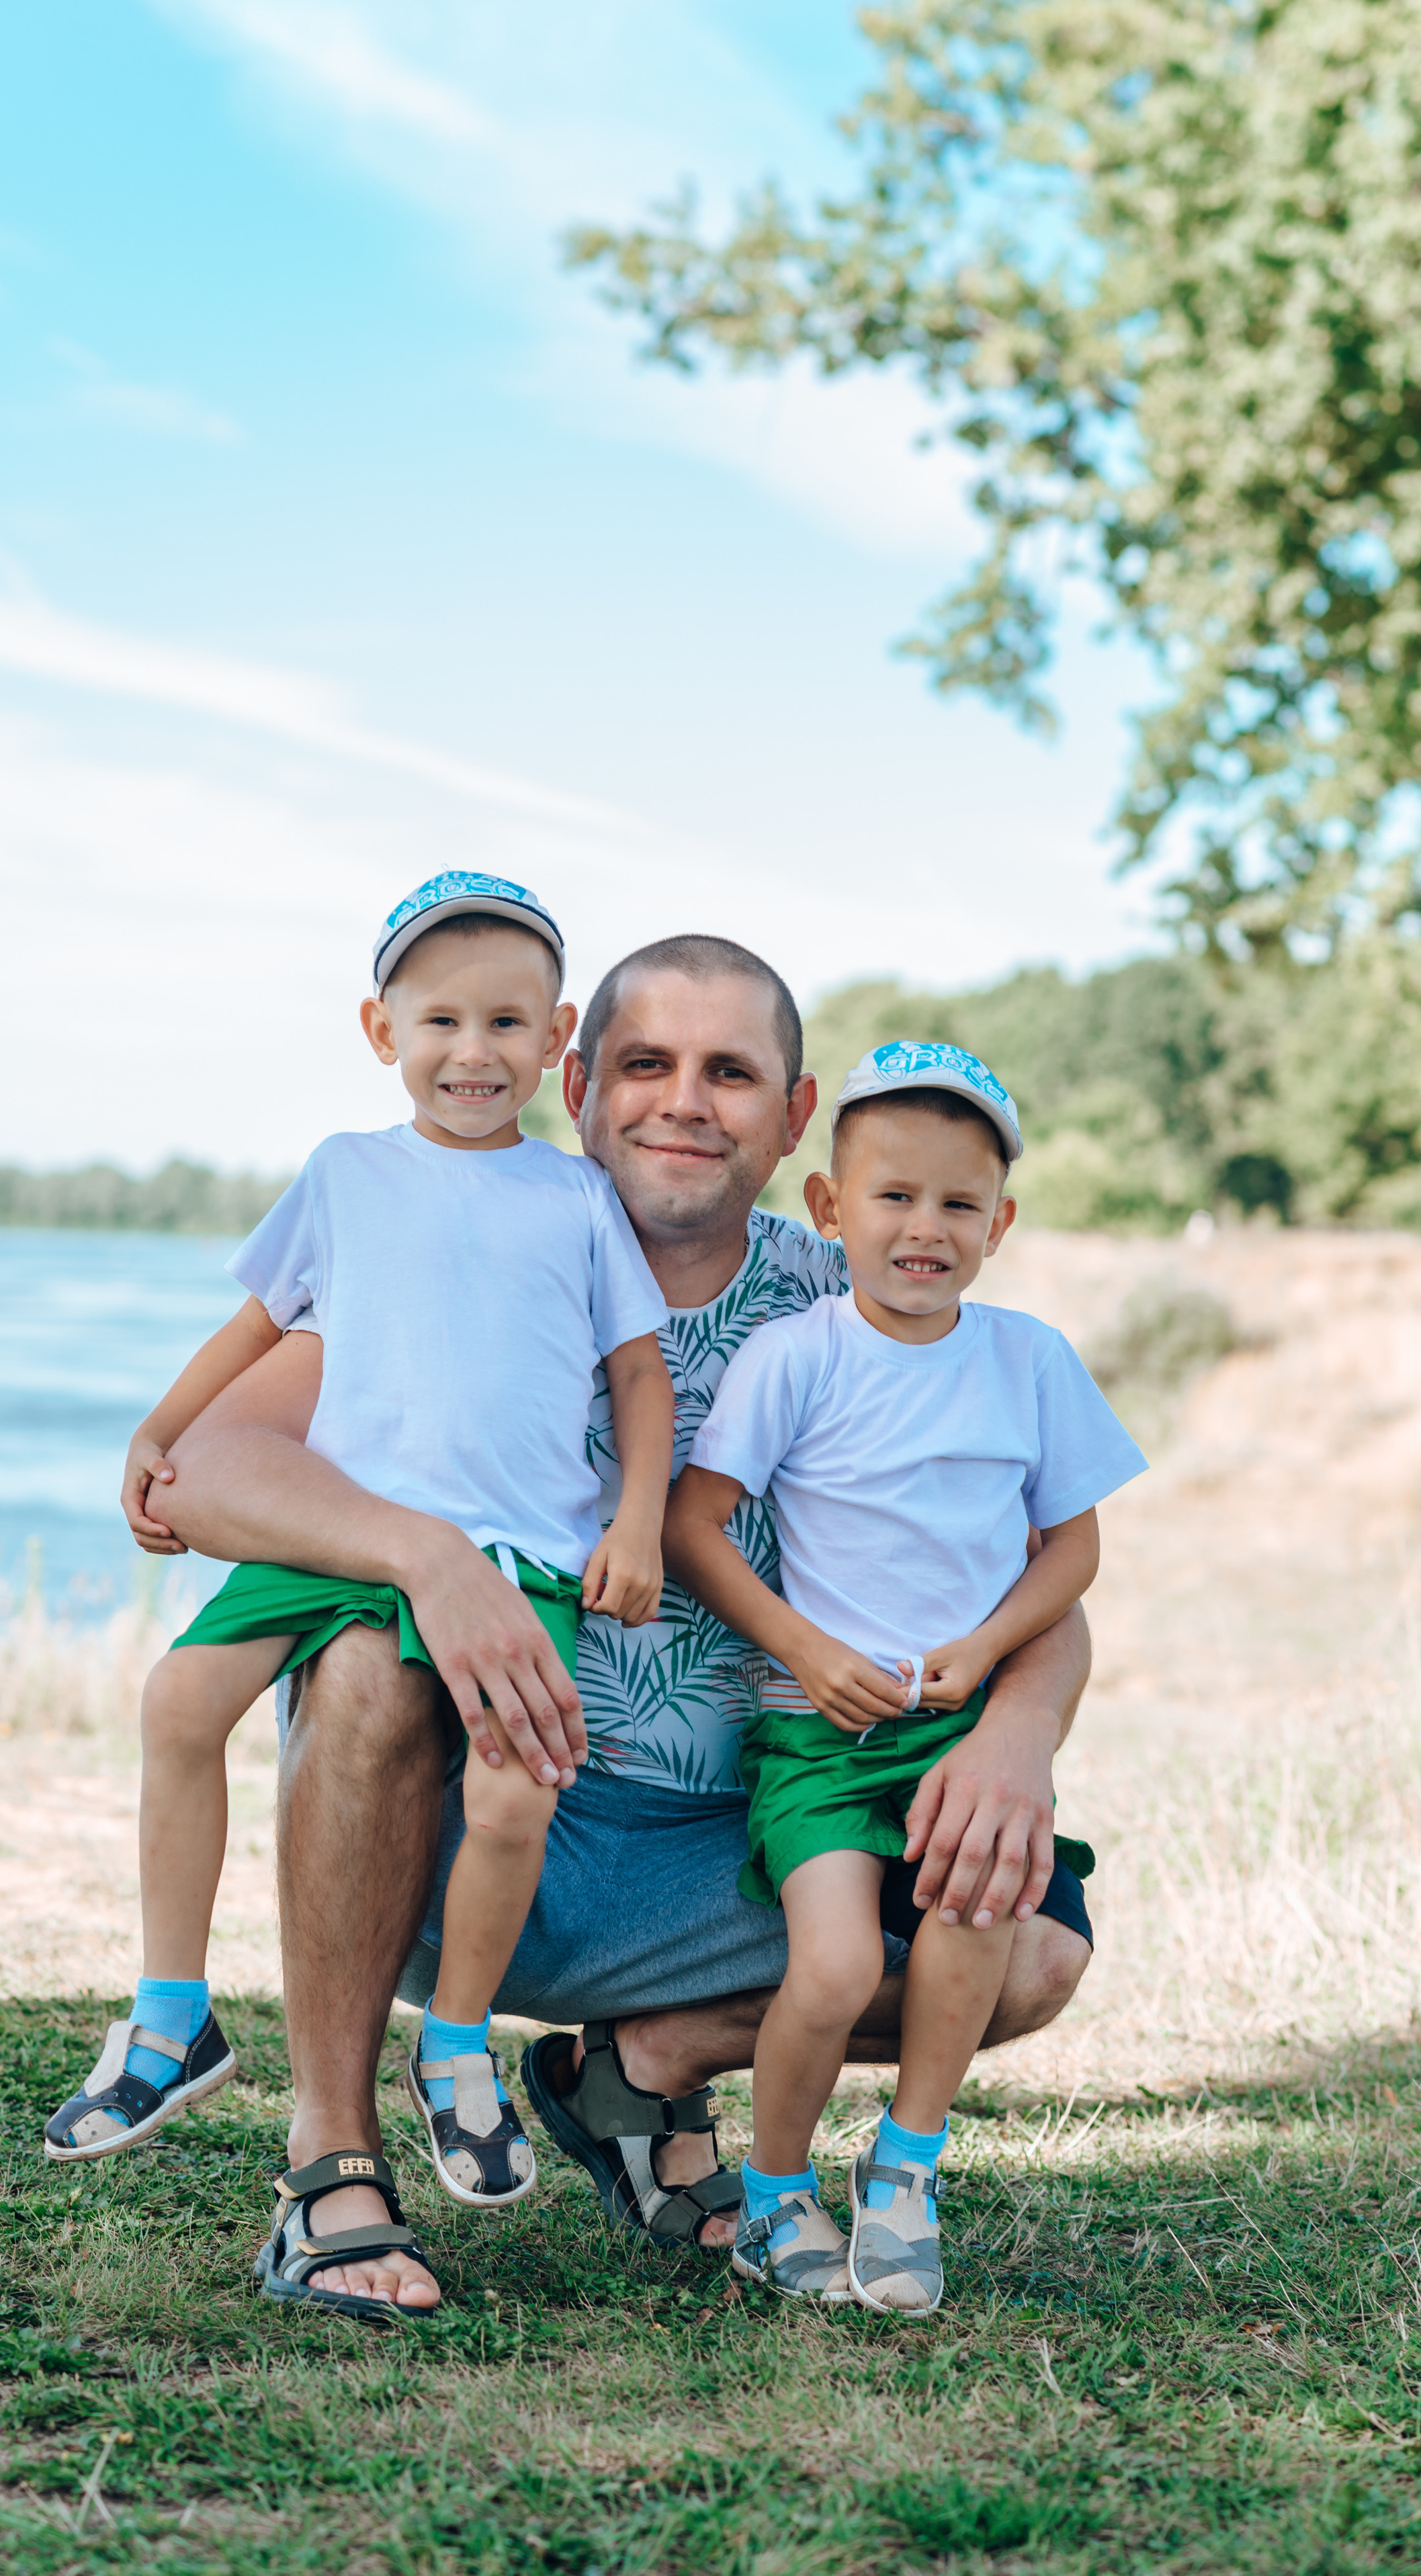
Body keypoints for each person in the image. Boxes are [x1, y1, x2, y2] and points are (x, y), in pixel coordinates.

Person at [128, 936, 1098, 2315]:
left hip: (741, 1845)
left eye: (729, 1073)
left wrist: (1016, 1734)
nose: (682, 1101)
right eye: (644, 1064)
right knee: (359, 1656)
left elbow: (1044, 1586)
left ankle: (636, 2071)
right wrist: (427, 1556)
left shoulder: (869, 1300)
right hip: (479, 1832)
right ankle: (331, 2165)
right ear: (576, 1081)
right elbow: (207, 1466)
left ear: (792, 1115)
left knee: (1033, 1947)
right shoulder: (477, 1244)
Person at [45, 877, 675, 2302]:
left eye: (507, 1022)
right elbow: (260, 1320)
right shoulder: (343, 1172)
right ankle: (170, 2016)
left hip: (516, 1548)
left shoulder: (572, 1196)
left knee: (518, 1793)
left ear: (557, 1037)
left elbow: (636, 1375)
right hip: (345, 1540)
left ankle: (454, 2042)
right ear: (377, 1025)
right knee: (177, 1699)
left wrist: (632, 1521)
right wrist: (160, 1429)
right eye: (439, 1019)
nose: (472, 1050)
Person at [665, 1043, 1144, 2311]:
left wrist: (989, 1654)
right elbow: (693, 1523)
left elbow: (1076, 1547)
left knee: (972, 1925)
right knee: (827, 1968)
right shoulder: (797, 1356)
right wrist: (806, 1650)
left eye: (957, 1204)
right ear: (830, 1207)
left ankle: (906, 2168)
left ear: (1000, 1224)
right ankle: (773, 2193)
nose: (923, 1228)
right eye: (893, 1196)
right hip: (821, 1731)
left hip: (960, 1728)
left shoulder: (1027, 1359)